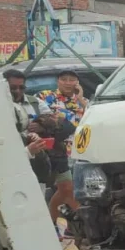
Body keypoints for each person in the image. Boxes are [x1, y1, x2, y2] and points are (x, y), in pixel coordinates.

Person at [36, 70, 88, 225]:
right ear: (58, 81)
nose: (67, 83)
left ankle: (51, 223)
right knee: (67, 189)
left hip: (79, 150)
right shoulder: (45, 97)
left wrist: (80, 98)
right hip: (56, 150)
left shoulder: (82, 100)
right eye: (64, 79)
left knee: (64, 190)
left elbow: (91, 116)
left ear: (77, 83)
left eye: (72, 80)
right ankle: (86, 224)